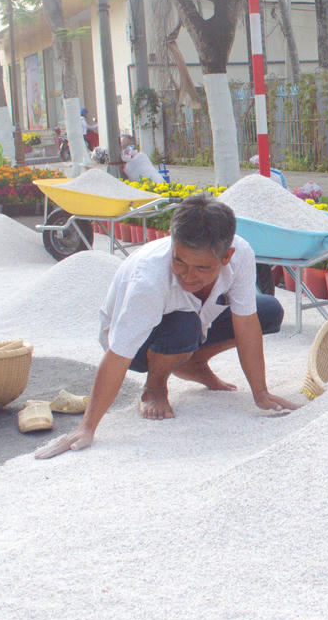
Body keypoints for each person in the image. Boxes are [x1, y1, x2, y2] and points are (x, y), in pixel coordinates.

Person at [35, 194, 296, 458]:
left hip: (196, 325)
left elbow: (247, 323)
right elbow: (118, 355)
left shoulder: (241, 255)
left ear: (226, 257)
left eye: (201, 268)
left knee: (267, 311)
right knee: (184, 324)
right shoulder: (149, 279)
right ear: (172, 244)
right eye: (179, 261)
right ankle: (155, 386)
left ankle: (192, 363)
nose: (187, 276)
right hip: (139, 348)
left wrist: (261, 393)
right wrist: (87, 427)